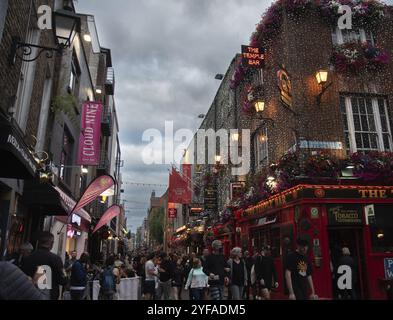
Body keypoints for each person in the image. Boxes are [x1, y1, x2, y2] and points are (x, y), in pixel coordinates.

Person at [21, 231, 68, 300]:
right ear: (51, 243)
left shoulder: (28, 258)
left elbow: (23, 276)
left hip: (30, 294)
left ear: (39, 242)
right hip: (50, 295)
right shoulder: (56, 259)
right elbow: (64, 279)